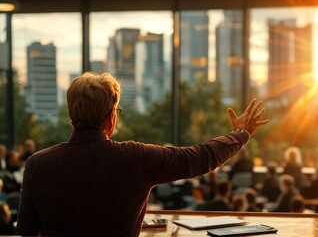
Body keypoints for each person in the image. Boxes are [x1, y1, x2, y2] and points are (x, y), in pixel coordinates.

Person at [17, 72, 270, 236]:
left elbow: (26, 233)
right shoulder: (135, 158)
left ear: (71, 115)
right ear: (111, 118)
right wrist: (241, 134)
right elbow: (199, 157)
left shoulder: (38, 165)